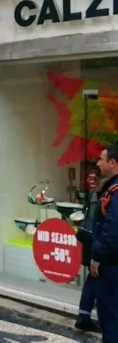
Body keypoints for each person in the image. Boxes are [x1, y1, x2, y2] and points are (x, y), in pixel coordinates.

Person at [91, 145, 118, 339]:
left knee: (110, 322)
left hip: (112, 267)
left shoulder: (115, 192)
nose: (98, 163)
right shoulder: (110, 188)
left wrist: (97, 255)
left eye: (101, 159)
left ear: (112, 163)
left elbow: (112, 232)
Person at [76, 170, 102, 333]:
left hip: (92, 239)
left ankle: (84, 315)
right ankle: (84, 316)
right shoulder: (101, 190)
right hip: (95, 241)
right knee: (95, 277)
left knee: (94, 279)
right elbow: (97, 218)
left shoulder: (99, 190)